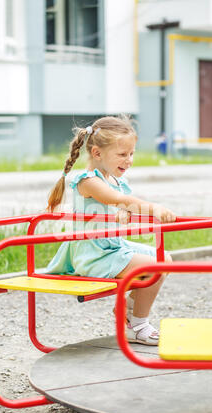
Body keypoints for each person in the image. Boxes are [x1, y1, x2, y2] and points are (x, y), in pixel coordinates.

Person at [45, 115, 176, 346]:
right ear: (97, 153)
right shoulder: (88, 181)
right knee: (157, 264)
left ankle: (128, 314)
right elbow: (117, 200)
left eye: (131, 154)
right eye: (123, 154)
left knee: (164, 258)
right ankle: (136, 324)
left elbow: (120, 203)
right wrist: (152, 208)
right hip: (94, 253)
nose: (129, 160)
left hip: (112, 246)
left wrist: (124, 210)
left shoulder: (114, 180)